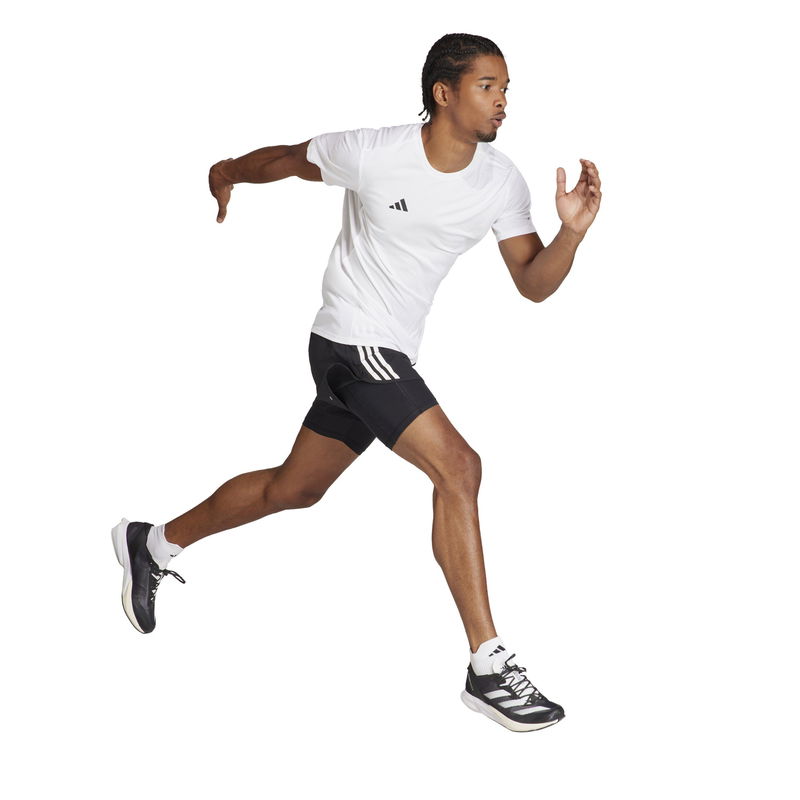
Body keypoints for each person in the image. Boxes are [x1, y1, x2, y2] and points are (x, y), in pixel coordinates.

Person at [111, 32, 601, 733]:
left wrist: (571, 234)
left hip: (388, 353)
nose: (503, 101)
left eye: (506, 88)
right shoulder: (375, 152)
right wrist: (225, 171)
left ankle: (152, 543)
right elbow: (287, 159)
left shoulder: (501, 182)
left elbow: (532, 283)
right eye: (488, 86)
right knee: (459, 468)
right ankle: (488, 666)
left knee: (295, 489)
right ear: (444, 92)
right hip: (349, 340)